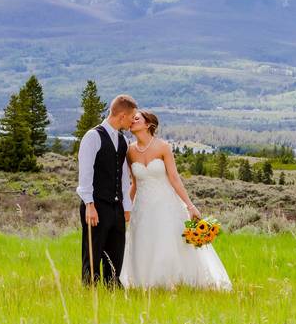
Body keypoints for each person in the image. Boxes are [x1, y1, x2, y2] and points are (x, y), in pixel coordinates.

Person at [119, 110, 231, 290]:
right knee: (143, 243)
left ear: (148, 124)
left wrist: (190, 205)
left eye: (137, 118)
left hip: (166, 204)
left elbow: (174, 178)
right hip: (142, 206)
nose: (132, 121)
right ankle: (146, 284)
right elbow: (134, 184)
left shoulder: (163, 147)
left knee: (168, 242)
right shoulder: (130, 151)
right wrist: (126, 207)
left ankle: (175, 283)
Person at [76, 94, 137, 286]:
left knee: (115, 254)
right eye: (131, 117)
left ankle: (112, 291)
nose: (133, 121)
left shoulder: (123, 141)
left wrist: (126, 207)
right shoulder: (93, 136)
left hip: (117, 206)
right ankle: (90, 292)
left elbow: (124, 178)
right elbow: (85, 174)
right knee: (93, 253)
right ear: (122, 116)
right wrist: (89, 205)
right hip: (96, 205)